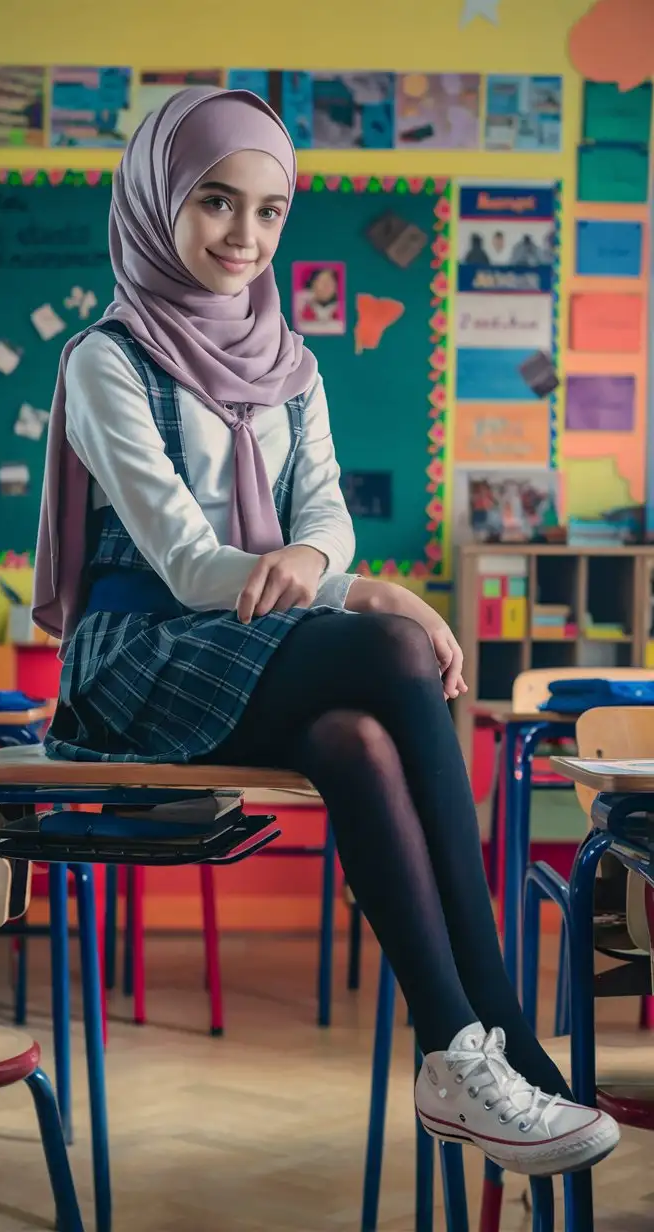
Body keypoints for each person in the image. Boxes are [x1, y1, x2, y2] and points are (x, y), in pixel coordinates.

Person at [33, 85, 619, 1179]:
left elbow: (327, 518)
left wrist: (328, 567)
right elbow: (185, 559)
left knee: (356, 738)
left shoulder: (292, 363)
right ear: (158, 198)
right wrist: (365, 592)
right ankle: (497, 1030)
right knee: (396, 650)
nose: (241, 237)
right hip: (145, 656)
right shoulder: (103, 361)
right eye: (213, 201)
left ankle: (457, 1053)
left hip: (261, 648)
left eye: (267, 211)